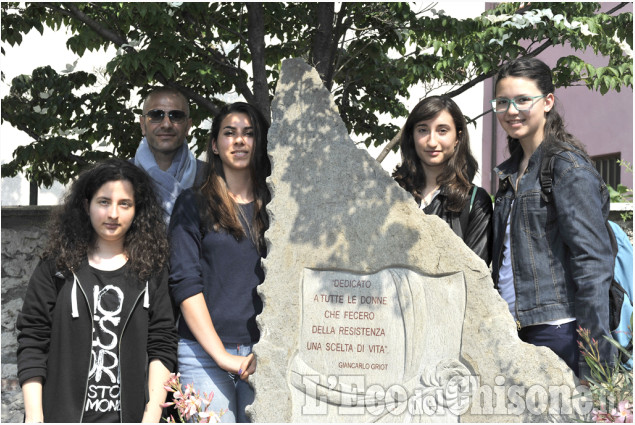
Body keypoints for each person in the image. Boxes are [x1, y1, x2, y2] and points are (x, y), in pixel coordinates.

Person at [17, 158, 178, 422]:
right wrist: (34, 417)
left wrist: (151, 416)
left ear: (137, 210)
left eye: (124, 204)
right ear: (86, 205)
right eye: (104, 202)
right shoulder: (57, 267)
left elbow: (162, 344)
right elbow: (33, 339)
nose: (113, 213)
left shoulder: (152, 271)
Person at [490, 57, 616, 381]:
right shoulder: (509, 174)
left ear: (547, 102)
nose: (511, 110)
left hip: (558, 332)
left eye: (522, 100)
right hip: (512, 329)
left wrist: (595, 363)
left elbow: (593, 264)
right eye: (502, 102)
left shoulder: (567, 168)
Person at [168, 102, 270, 422]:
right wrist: (223, 357)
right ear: (215, 144)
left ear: (259, 142)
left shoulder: (278, 207)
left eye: (248, 133)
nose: (239, 140)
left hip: (266, 354)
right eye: (229, 133)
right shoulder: (192, 203)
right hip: (202, 357)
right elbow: (185, 284)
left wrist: (262, 352)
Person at [393, 96, 493, 265]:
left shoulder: (475, 201)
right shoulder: (392, 193)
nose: (432, 142)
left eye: (442, 131)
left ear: (458, 138)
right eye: (423, 130)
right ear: (411, 136)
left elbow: (475, 275)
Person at [135, 86, 207, 224]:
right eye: (156, 115)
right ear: (143, 125)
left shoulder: (211, 178)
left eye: (176, 116)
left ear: (188, 126)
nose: (166, 124)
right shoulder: (122, 176)